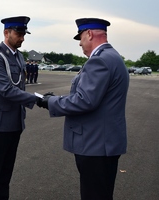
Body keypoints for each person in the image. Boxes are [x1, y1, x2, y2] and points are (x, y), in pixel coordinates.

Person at [36, 18, 129, 200]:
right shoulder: (112, 57)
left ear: (89, 34)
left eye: (80, 37)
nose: (80, 43)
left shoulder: (100, 60)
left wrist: (50, 102)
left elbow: (84, 100)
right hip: (104, 143)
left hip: (96, 145)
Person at [0, 16, 37, 200]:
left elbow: (20, 85)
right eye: (19, 34)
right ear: (7, 33)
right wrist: (38, 100)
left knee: (6, 173)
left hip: (14, 122)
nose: (22, 38)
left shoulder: (19, 56)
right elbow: (6, 89)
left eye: (23, 34)